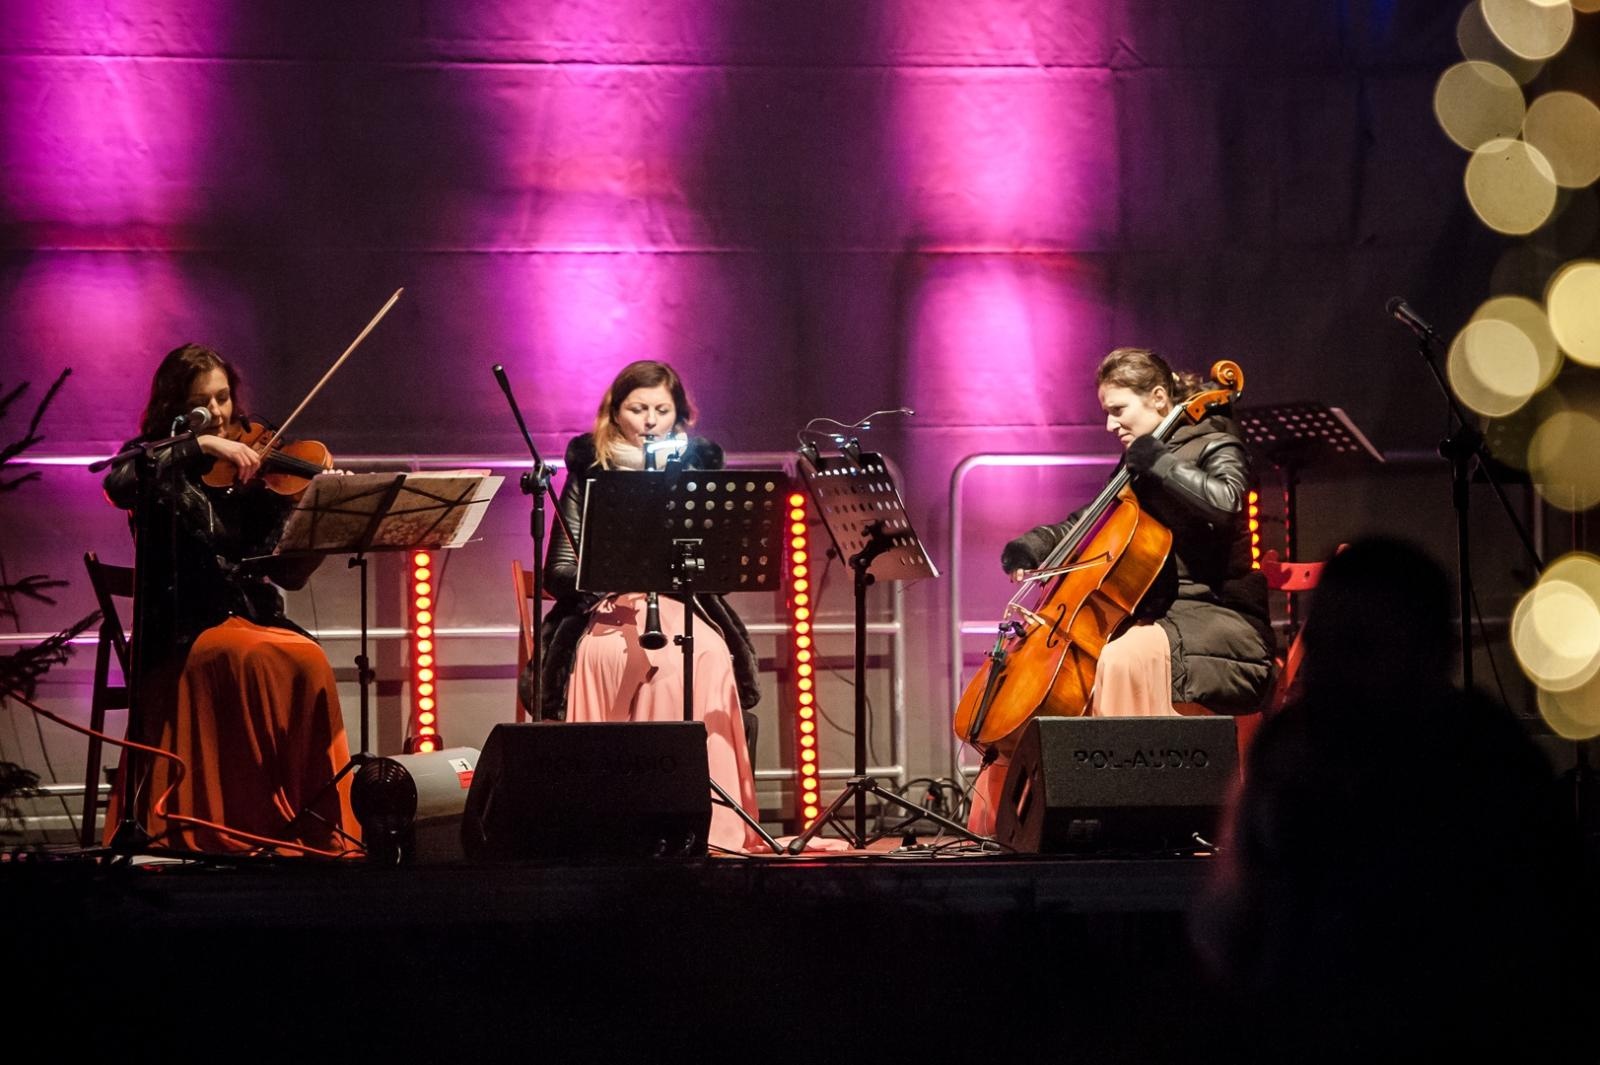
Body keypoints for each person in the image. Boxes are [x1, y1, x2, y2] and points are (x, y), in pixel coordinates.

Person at [1192, 536, 1586, 1061]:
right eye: (1325, 643)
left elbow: (1230, 922)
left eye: (1356, 644)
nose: (1328, 668)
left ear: (1428, 652)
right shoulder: (1490, 750)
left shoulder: (1482, 759)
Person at [968, 347, 1274, 834]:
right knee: (1073, 667)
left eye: (1118, 410)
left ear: (1157, 398)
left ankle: (1133, 819)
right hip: (1153, 614)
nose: (1110, 424)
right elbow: (1088, 524)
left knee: (1120, 659)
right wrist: (1036, 545)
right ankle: (1042, 824)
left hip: (1216, 617)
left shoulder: (1217, 440)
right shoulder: (1138, 460)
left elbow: (1227, 503)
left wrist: (1163, 464)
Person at [102, 343, 358, 855]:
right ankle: (240, 821)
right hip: (183, 627)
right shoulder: (153, 459)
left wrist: (320, 517)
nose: (219, 413)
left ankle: (307, 823)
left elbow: (283, 576)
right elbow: (118, 481)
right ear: (177, 407)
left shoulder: (253, 470)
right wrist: (203, 447)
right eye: (204, 401)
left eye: (223, 398)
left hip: (246, 617)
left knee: (307, 657)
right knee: (264, 656)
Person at [532, 360, 763, 852]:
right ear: (615, 413)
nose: (651, 420)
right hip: (604, 607)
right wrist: (610, 577)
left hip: (681, 601)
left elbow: (718, 560)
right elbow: (560, 570)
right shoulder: (590, 467)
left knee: (703, 655)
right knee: (615, 657)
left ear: (679, 414)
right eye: (638, 409)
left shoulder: (697, 470)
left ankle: (704, 821)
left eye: (662, 409)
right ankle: (614, 822)